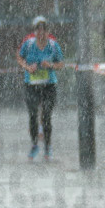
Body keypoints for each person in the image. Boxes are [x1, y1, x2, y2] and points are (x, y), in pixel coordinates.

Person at [16, 15, 64, 160]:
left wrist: (50, 65)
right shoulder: (29, 44)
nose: (41, 33)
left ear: (47, 31)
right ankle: (35, 144)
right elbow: (19, 57)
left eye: (43, 30)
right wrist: (27, 67)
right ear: (35, 31)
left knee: (46, 116)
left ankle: (48, 146)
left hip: (49, 85)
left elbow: (60, 64)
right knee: (32, 115)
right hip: (31, 85)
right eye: (38, 30)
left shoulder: (53, 46)